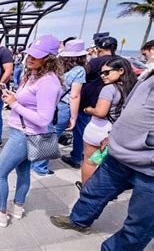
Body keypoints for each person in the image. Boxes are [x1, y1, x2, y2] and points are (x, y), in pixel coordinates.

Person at [50, 44, 154, 250]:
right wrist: (114, 135)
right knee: (94, 191)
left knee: (138, 225)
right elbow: (128, 110)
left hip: (149, 169)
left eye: (107, 72)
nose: (146, 54)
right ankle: (78, 220)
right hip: (119, 154)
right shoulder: (147, 75)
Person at [0, 35, 62, 227]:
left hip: (26, 134)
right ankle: (17, 207)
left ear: (49, 58)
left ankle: (0, 213)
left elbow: (44, 119)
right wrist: (14, 97)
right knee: (23, 171)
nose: (30, 58)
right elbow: (31, 104)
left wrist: (14, 104)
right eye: (29, 54)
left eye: (36, 55)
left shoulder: (48, 81)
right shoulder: (35, 75)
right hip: (22, 132)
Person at [31, 39, 87, 176]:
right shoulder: (79, 70)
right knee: (52, 137)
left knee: (42, 133)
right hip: (62, 107)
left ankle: (34, 161)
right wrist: (73, 117)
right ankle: (40, 166)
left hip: (46, 103)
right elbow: (74, 95)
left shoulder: (56, 65)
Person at [79, 57, 137, 186]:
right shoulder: (133, 88)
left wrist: (88, 109)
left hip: (99, 130)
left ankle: (86, 190)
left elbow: (100, 112)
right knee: (108, 165)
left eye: (107, 72)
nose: (103, 76)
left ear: (121, 70)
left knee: (90, 162)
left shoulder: (109, 89)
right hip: (118, 132)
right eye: (101, 73)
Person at [62, 36, 117, 169]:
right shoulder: (118, 62)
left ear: (99, 49)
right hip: (109, 103)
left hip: (87, 102)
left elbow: (80, 79)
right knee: (104, 133)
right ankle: (98, 158)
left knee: (81, 131)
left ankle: (77, 157)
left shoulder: (94, 62)